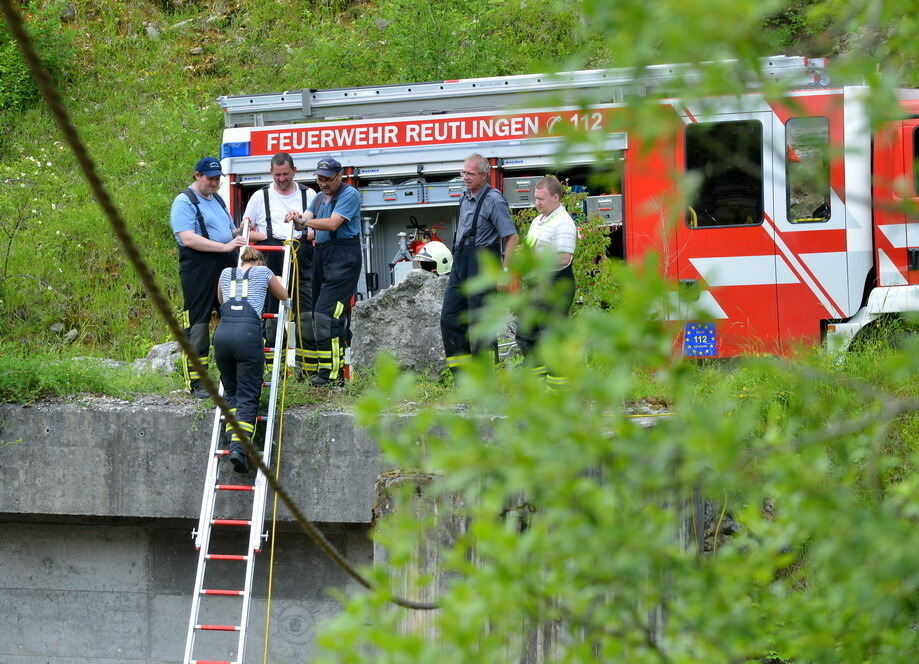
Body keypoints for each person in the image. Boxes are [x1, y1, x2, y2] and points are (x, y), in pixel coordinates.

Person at [170, 156, 246, 398]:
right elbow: (188, 237)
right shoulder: (185, 201)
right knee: (198, 324)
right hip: (199, 267)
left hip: (225, 264)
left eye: (217, 179)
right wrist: (224, 246)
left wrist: (239, 231)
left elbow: (225, 231)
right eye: (210, 178)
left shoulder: (217, 199)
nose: (215, 183)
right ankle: (196, 382)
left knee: (233, 319)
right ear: (197, 175)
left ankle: (231, 377)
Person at [440, 153, 519, 373]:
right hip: (461, 262)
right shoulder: (464, 197)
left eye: (470, 174)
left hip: (482, 264)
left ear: (485, 175)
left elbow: (511, 236)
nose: (465, 177)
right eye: (463, 172)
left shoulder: (494, 200)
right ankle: (462, 376)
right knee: (449, 318)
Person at [213, 246, 289, 473]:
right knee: (247, 393)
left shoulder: (226, 273)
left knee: (232, 392)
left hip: (222, 335)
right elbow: (283, 295)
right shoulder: (264, 272)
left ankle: (230, 439)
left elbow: (221, 298)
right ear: (260, 261)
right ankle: (239, 448)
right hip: (247, 335)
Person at [242, 152, 317, 371]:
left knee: (306, 310)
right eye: (277, 175)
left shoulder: (309, 194)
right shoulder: (259, 196)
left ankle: (308, 367)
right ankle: (274, 367)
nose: (282, 179)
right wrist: (264, 235)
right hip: (272, 257)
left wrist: (303, 231)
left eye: (285, 174)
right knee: (273, 311)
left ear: (294, 170)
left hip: (301, 253)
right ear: (270, 173)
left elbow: (316, 230)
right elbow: (245, 230)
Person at [292, 157, 363, 386]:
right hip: (322, 255)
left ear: (339, 176)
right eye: (319, 179)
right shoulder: (319, 197)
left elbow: (333, 224)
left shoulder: (349, 194)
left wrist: (305, 222)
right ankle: (320, 371)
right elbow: (306, 221)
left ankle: (332, 375)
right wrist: (297, 220)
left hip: (343, 257)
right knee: (316, 314)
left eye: (327, 179)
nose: (323, 183)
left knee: (327, 315)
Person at [514, 176, 577, 385]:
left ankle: (559, 390)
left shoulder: (564, 223)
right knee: (525, 335)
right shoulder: (537, 220)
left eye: (541, 199)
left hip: (556, 284)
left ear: (556, 197)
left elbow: (563, 258)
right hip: (536, 285)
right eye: (535, 198)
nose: (537, 203)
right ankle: (538, 384)